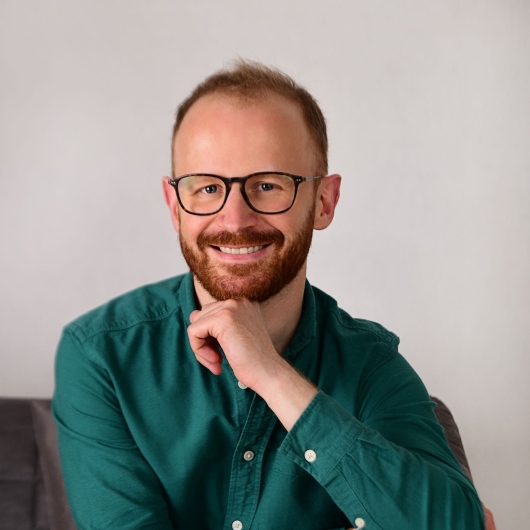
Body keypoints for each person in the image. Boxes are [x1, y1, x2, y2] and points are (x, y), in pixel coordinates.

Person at [53, 61, 487, 529]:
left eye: (267, 186)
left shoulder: (369, 364)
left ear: (324, 202)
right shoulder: (101, 356)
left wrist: (271, 374)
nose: (235, 220)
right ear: (175, 205)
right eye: (207, 188)